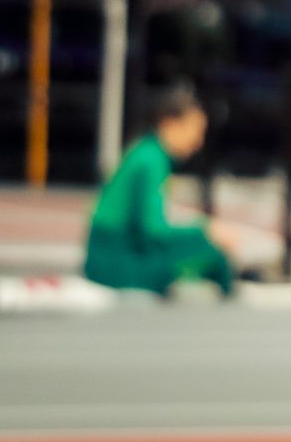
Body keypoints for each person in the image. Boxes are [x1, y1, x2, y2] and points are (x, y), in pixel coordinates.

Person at [82, 89, 236, 297]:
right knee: (214, 256)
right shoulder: (152, 161)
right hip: (117, 263)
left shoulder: (146, 151)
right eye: (195, 130)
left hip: (107, 256)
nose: (198, 141)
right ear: (169, 124)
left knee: (202, 248)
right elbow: (153, 230)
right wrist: (205, 230)